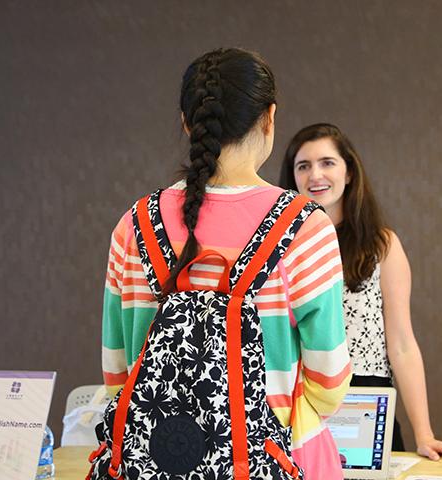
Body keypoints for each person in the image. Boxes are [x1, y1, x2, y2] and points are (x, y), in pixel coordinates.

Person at [101, 50, 352, 478]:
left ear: (187, 124)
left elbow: (117, 373)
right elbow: (328, 379)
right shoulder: (305, 228)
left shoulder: (135, 225)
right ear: (269, 118)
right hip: (271, 457)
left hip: (155, 464)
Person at [279, 123, 442, 462]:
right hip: (302, 404)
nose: (315, 175)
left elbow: (401, 343)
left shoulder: (381, 245)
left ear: (349, 171)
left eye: (327, 162)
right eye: (303, 166)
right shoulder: (282, 246)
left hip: (366, 401)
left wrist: (424, 433)